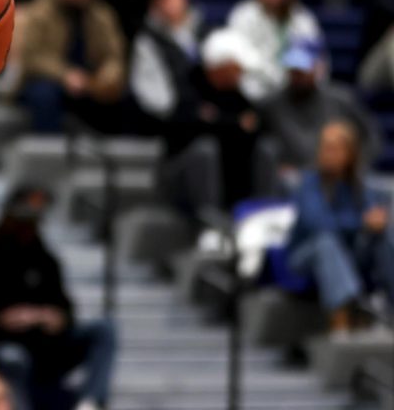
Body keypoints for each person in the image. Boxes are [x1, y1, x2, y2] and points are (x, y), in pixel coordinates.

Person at [0, 185, 116, 410]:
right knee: (13, 357)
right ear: (7, 217)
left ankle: (90, 403)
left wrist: (55, 318)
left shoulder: (45, 258)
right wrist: (1, 320)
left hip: (47, 347)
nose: (28, 228)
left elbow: (65, 307)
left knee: (104, 329)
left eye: (34, 221)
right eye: (23, 221)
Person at [287, 120, 394, 336]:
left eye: (336, 149)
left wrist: (376, 222)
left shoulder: (361, 185)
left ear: (350, 154)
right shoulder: (307, 184)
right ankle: (344, 315)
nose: (330, 154)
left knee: (382, 236)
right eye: (326, 148)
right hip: (307, 254)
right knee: (327, 242)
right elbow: (318, 223)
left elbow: (371, 217)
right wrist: (361, 222)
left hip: (350, 255)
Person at [148, 29, 266, 218]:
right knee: (206, 150)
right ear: (221, 67)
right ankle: (208, 220)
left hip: (228, 181)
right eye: (237, 68)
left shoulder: (238, 95)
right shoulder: (187, 89)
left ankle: (260, 215)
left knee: (265, 148)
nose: (242, 73)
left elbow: (254, 125)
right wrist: (233, 124)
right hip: (180, 182)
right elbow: (195, 128)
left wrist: (221, 122)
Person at [15, 0, 126, 133]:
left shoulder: (101, 16)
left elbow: (114, 55)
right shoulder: (40, 13)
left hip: (91, 81)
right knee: (44, 96)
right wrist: (64, 75)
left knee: (125, 97)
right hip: (49, 80)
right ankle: (50, 152)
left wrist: (109, 74)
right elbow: (32, 57)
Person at [260, 40, 381, 181]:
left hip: (339, 181)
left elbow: (372, 138)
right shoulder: (270, 105)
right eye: (292, 69)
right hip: (291, 182)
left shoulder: (341, 100)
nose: (296, 75)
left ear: (319, 67)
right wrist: (276, 166)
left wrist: (354, 167)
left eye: (302, 70)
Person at [226, 0, 323, 102]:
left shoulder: (302, 19)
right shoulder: (243, 15)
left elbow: (313, 57)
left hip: (293, 91)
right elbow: (237, 54)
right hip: (252, 88)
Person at [130, 0, 204, 132]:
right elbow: (153, 94)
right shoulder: (148, 39)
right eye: (165, 0)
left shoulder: (203, 31)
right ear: (155, 5)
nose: (172, 4)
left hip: (205, 107)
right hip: (173, 117)